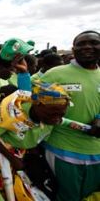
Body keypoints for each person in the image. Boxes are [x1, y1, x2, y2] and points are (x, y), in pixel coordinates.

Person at [40, 30, 100, 200]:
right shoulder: (55, 74)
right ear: (73, 50)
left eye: (93, 43)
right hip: (62, 150)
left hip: (97, 151)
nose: (87, 47)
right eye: (81, 44)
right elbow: (34, 106)